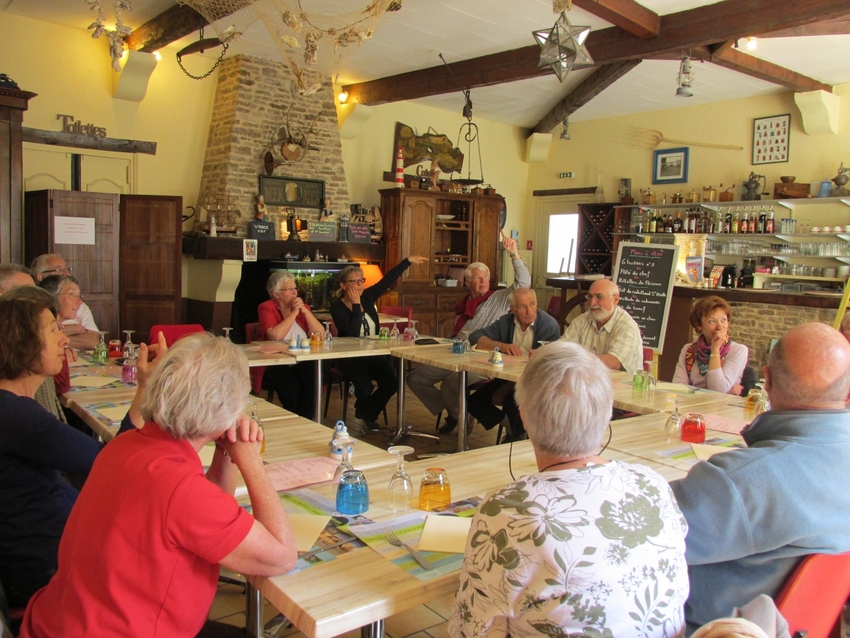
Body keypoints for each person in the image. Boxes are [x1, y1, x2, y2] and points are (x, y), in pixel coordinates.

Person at [21, 333, 297, 638]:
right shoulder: (179, 487)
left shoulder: (125, 444)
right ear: (226, 409)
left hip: (60, 621)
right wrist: (250, 459)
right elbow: (282, 556)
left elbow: (209, 512)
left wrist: (225, 449)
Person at [449, 342, 689, 637]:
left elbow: (472, 629)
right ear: (608, 416)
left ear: (523, 415)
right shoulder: (654, 485)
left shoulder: (506, 513)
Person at [670, 322, 850, 631]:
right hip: (803, 626)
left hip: (710, 627)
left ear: (765, 380)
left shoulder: (739, 482)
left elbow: (640, 538)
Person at [0, 287, 144, 610]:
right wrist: (145, 395)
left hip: (59, 558)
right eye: (53, 331)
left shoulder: (16, 409)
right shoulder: (17, 416)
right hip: (51, 581)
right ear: (22, 342)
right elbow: (112, 462)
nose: (64, 341)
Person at [407, 234, 530, 434]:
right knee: (415, 378)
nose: (483, 281)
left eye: (486, 277)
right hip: (455, 353)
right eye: (478, 278)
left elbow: (523, 284)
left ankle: (472, 418)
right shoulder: (465, 304)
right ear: (468, 281)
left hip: (484, 358)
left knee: (451, 385)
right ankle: (456, 413)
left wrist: (514, 254)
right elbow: (456, 336)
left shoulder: (499, 299)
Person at [330, 256, 427, 428]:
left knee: (392, 382)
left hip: (372, 353)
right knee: (365, 387)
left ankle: (365, 411)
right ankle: (367, 413)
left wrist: (407, 261)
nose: (359, 284)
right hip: (350, 356)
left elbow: (386, 280)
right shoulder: (337, 307)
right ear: (343, 285)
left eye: (361, 280)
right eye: (354, 281)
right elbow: (353, 333)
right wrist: (355, 306)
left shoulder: (367, 296)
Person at [466, 288, 560, 442]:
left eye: (532, 304)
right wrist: (501, 346)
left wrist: (506, 388)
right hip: (507, 376)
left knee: (514, 402)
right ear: (513, 309)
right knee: (475, 402)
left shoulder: (548, 326)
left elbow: (544, 366)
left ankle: (515, 438)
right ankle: (512, 430)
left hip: (534, 381)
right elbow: (475, 337)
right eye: (523, 306)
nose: (529, 310)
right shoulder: (506, 321)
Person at [257, 270, 325, 417]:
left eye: (295, 288)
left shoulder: (304, 308)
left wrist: (305, 312)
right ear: (276, 294)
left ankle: (306, 419)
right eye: (289, 289)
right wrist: (294, 313)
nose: (294, 293)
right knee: (290, 386)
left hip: (301, 360)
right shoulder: (266, 307)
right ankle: (296, 417)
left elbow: (321, 335)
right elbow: (275, 336)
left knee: (313, 378)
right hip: (275, 361)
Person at [560, 278, 643, 375]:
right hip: (590, 383)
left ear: (615, 299)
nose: (592, 303)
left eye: (599, 297)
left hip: (624, 387)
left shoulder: (627, 326)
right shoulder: (581, 321)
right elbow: (562, 351)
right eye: (590, 297)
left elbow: (614, 361)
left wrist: (578, 360)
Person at [672, 296, 748, 394]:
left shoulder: (738, 350)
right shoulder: (689, 350)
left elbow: (717, 390)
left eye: (723, 320)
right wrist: (727, 391)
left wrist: (715, 349)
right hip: (691, 405)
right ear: (699, 325)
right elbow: (677, 387)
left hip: (722, 408)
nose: (720, 327)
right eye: (712, 321)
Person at [30, 254, 98, 334]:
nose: (66, 273)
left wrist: (55, 334)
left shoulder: (79, 305)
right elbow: (37, 334)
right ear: (40, 276)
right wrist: (76, 329)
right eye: (58, 270)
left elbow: (95, 340)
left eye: (67, 269)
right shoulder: (32, 306)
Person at [37, 275, 99, 351]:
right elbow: (37, 338)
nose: (80, 301)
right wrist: (76, 329)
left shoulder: (78, 312)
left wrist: (53, 336)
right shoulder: (37, 318)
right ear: (52, 297)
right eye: (72, 294)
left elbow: (94, 343)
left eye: (79, 295)